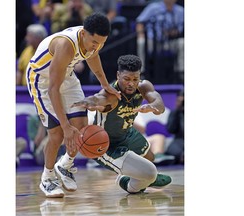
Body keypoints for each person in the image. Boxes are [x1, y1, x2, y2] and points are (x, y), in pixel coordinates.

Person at [26, 12, 121, 198]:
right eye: (95, 42)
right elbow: (53, 88)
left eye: (102, 42)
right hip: (43, 82)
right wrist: (65, 125)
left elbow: (93, 56)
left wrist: (104, 84)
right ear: (84, 33)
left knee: (81, 128)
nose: (98, 46)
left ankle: (66, 164)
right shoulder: (65, 45)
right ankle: (47, 177)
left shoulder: (93, 41)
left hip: (67, 77)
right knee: (58, 133)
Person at [72, 54, 172, 194]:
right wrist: (89, 102)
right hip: (106, 144)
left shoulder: (143, 86)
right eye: (126, 79)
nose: (131, 83)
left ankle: (140, 179)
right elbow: (98, 99)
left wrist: (153, 107)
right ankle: (127, 183)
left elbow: (159, 103)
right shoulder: (111, 94)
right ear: (118, 75)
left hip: (127, 134)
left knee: (150, 157)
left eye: (135, 79)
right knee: (148, 173)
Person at [136, 0, 184, 83]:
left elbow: (180, 29)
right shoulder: (153, 7)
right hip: (151, 40)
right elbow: (140, 22)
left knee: (183, 43)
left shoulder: (181, 10)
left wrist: (173, 32)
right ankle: (141, 72)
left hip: (169, 41)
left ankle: (180, 72)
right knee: (141, 42)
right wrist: (141, 34)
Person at [165, 89, 184, 164]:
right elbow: (171, 129)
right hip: (180, 139)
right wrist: (178, 110)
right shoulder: (175, 113)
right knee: (174, 151)